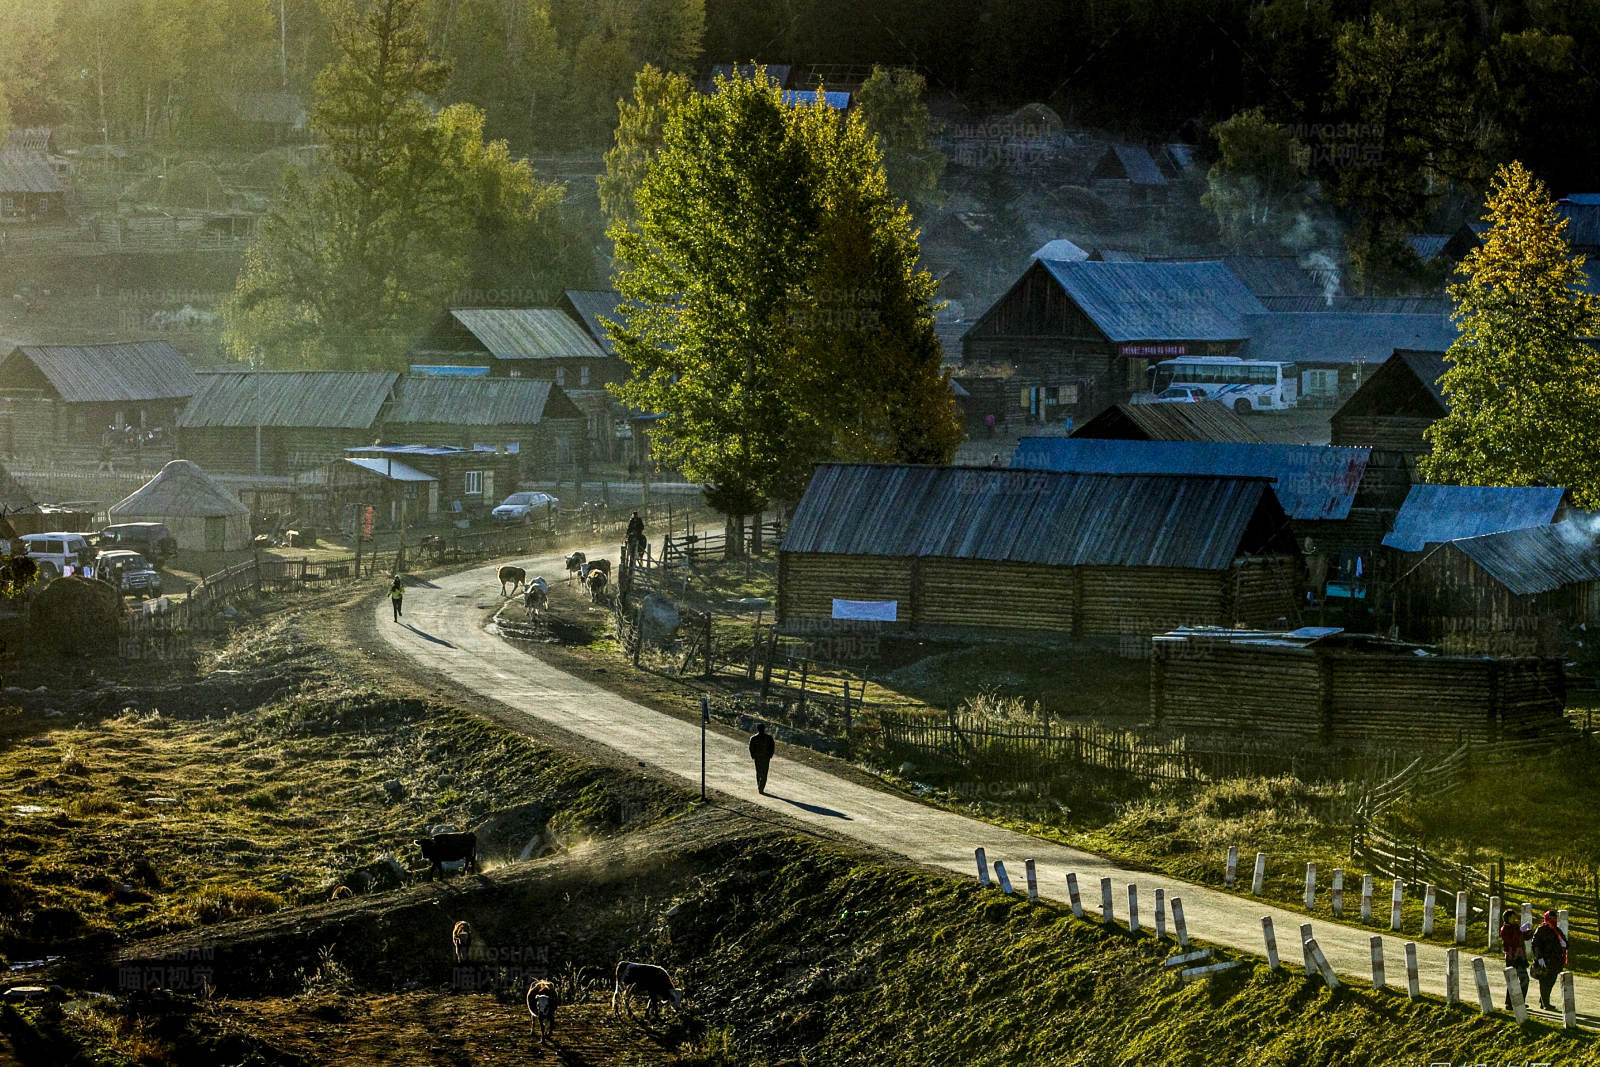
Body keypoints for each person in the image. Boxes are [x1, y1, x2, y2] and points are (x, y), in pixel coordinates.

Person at [1530, 909, 1568, 1010]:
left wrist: (1564, 943)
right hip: (1545, 960)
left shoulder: (1557, 930)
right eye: (1551, 918)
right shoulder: (1541, 930)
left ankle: (1543, 1000)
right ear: (1546, 918)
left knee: (1551, 981)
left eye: (1555, 917)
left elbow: (1565, 942)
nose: (1553, 919)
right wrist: (1539, 958)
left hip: (1555, 960)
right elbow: (1535, 944)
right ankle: (1546, 1003)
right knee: (1544, 982)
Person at [1499, 908, 1530, 1009]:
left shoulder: (1516, 927)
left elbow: (1523, 937)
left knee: (1525, 980)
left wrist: (1529, 932)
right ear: (1507, 918)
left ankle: (1519, 1001)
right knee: (1513, 980)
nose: (1514, 919)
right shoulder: (1505, 929)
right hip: (1512, 957)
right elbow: (1511, 941)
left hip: (1520, 957)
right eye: (1512, 917)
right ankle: (1509, 1003)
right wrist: (1520, 931)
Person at [748, 723, 775, 795]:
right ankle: (761, 787)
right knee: (764, 773)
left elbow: (751, 748)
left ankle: (760, 786)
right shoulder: (769, 738)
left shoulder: (754, 738)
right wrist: (770, 755)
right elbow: (772, 747)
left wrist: (753, 755)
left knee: (759, 772)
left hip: (758, 758)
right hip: (765, 758)